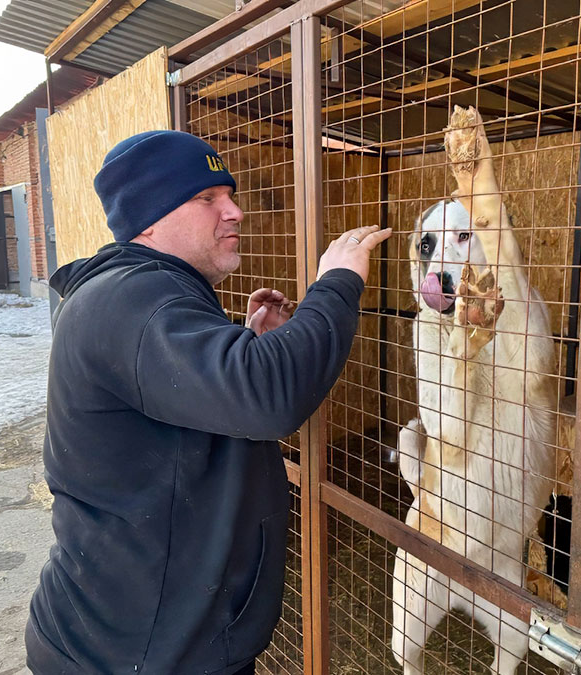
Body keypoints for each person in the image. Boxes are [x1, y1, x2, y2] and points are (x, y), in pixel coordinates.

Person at [25, 130, 391, 674]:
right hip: (133, 656)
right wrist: (337, 282)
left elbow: (201, 408)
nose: (235, 211)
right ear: (149, 218)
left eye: (230, 194)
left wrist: (246, 344)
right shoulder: (132, 299)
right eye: (206, 199)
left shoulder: (141, 294)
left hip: (144, 639)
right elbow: (270, 395)